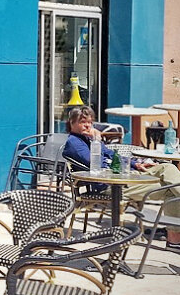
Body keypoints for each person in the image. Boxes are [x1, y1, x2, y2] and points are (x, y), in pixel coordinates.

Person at [63, 106, 180, 248]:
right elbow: (96, 164)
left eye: (90, 122)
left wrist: (136, 164)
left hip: (124, 178)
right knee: (171, 190)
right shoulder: (74, 142)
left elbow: (113, 155)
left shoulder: (87, 139)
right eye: (83, 122)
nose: (88, 125)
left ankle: (174, 239)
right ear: (71, 123)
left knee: (167, 167)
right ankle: (174, 240)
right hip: (111, 186)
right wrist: (97, 140)